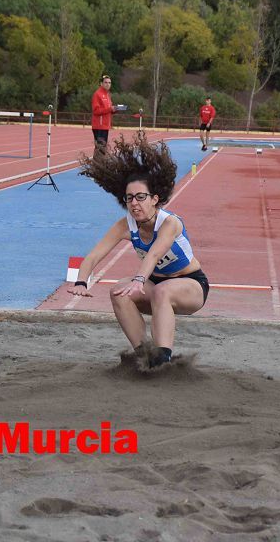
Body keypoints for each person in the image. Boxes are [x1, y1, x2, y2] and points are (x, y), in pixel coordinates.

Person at [69, 134, 208, 368]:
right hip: (154, 283)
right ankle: (145, 354)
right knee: (118, 293)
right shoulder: (125, 225)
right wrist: (81, 282)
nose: (135, 203)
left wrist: (139, 279)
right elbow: (93, 256)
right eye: (130, 198)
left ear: (155, 199)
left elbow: (154, 253)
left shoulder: (170, 223)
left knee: (161, 291)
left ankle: (163, 362)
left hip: (191, 285)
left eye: (141, 197)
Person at [91, 74, 115, 159]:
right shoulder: (97, 94)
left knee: (102, 148)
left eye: (109, 82)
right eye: (106, 82)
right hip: (99, 126)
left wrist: (114, 110)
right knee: (100, 148)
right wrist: (109, 109)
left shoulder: (107, 95)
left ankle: (98, 166)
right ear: (101, 83)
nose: (108, 84)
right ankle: (97, 167)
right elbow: (96, 111)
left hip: (105, 126)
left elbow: (108, 110)